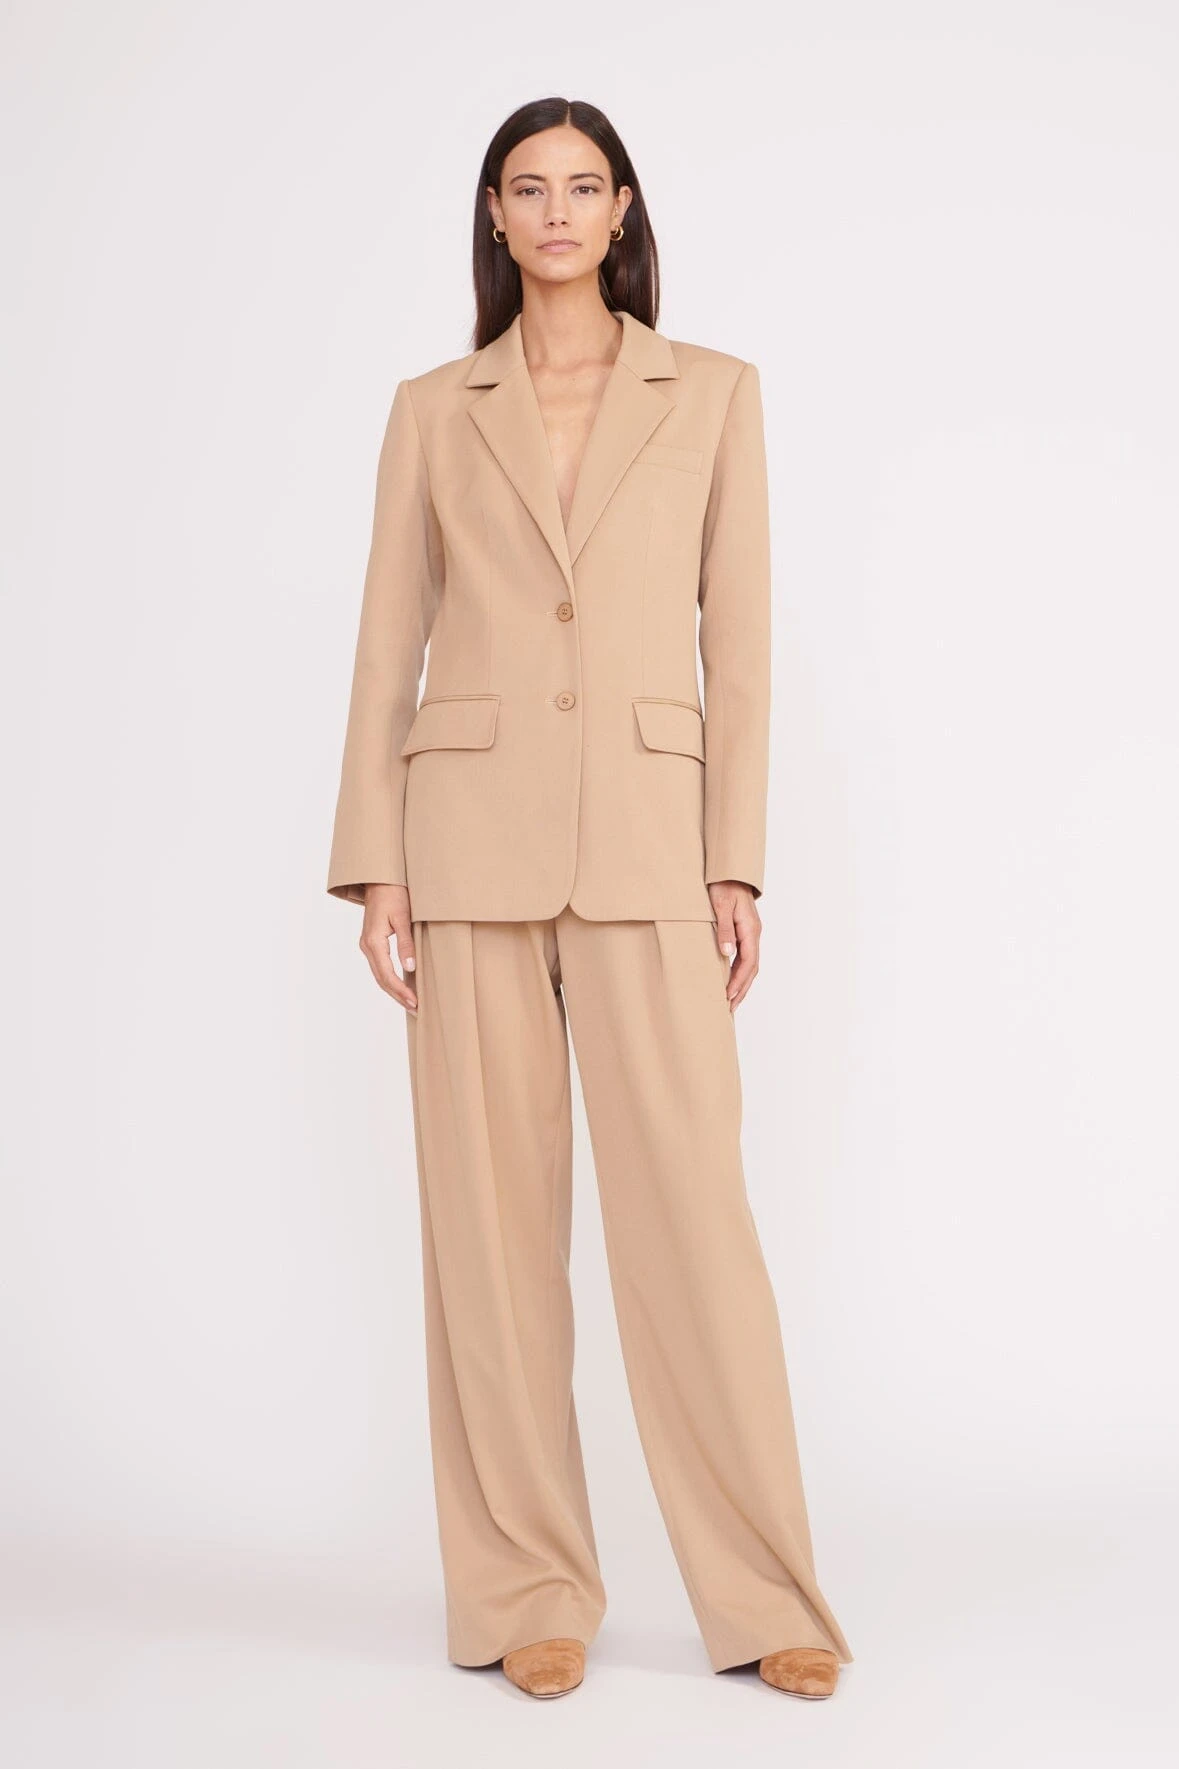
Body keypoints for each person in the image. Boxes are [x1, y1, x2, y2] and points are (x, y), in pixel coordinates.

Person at [325, 95, 853, 1701]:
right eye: (526, 187)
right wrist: (376, 859)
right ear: (495, 217)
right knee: (488, 1239)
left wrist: (731, 855)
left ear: (622, 210)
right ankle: (524, 1589)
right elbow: (388, 639)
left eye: (582, 185)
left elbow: (736, 643)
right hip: (465, 840)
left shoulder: (715, 394)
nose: (555, 211)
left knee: (692, 1225)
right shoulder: (434, 409)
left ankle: (765, 1597)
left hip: (647, 838)